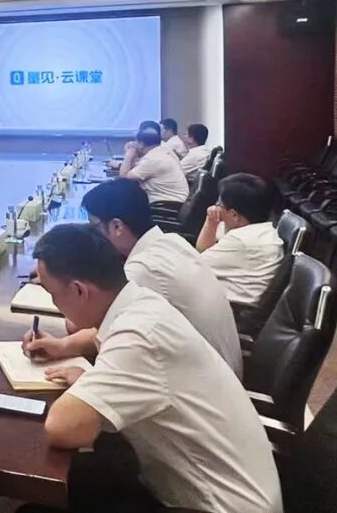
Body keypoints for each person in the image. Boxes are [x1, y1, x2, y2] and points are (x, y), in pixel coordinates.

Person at [32, 224, 282, 513]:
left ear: (79, 290)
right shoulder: (142, 303)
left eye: (51, 293)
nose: (53, 302)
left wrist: (88, 387)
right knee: (85, 474)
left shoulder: (141, 337)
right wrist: (82, 368)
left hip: (217, 506)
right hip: (205, 486)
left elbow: (62, 428)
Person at [26, 179, 241, 375]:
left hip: (196, 379)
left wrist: (59, 280)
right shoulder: (171, 241)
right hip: (213, 372)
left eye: (93, 225)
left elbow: (82, 323)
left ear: (117, 226)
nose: (90, 235)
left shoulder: (145, 269)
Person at [197, 173, 284, 307]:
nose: (216, 208)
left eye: (219, 205)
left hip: (231, 309)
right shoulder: (258, 230)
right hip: (224, 301)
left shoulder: (241, 241)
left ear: (234, 215)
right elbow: (202, 251)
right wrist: (211, 221)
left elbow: (196, 264)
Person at [119, 127, 189, 203]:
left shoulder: (153, 159)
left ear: (141, 144)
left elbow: (124, 178)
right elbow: (135, 170)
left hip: (166, 202)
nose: (135, 146)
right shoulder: (160, 152)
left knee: (122, 198)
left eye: (136, 143)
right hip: (175, 199)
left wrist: (129, 154)